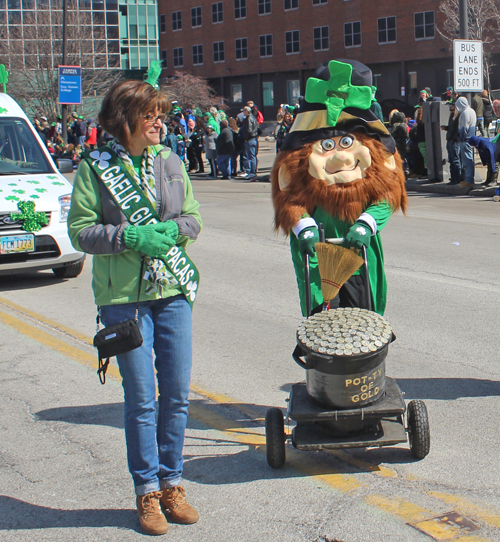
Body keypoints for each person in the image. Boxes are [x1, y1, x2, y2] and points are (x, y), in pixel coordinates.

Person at [67, 79, 202, 536]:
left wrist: (173, 232)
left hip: (172, 291)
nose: (160, 122)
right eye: (150, 115)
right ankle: (146, 491)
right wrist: (128, 235)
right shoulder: (95, 167)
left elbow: (193, 217)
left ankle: (173, 484)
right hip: (123, 300)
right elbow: (80, 231)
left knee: (178, 394)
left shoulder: (169, 161)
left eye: (161, 113)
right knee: (142, 398)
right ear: (125, 119)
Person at [272, 59, 406, 317]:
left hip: (360, 259)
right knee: (323, 330)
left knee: (364, 322)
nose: (341, 157)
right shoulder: (297, 162)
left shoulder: (377, 160)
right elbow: (290, 198)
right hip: (318, 260)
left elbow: (387, 194)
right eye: (328, 145)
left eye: (347, 142)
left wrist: (367, 223)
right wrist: (304, 226)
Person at [456, 96, 477, 188]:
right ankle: (469, 178)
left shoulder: (464, 113)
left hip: (465, 140)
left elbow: (464, 128)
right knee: (470, 159)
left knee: (467, 161)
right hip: (471, 138)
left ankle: (469, 180)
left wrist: (460, 137)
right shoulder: (472, 111)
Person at [441, 100, 461, 185]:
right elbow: (451, 128)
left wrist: (454, 139)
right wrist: (445, 128)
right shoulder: (452, 115)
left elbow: (457, 130)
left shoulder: (458, 116)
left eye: (451, 106)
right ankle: (453, 178)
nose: (450, 107)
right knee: (451, 160)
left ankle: (458, 178)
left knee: (455, 160)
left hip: (454, 141)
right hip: (449, 140)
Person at [238, 105, 259, 180]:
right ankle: (251, 172)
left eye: (244, 111)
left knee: (251, 156)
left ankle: (252, 172)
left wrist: (245, 138)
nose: (243, 112)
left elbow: (249, 130)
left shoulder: (249, 119)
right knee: (251, 156)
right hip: (253, 139)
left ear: (247, 111)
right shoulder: (252, 117)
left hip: (250, 139)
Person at [388, 110, 408, 175]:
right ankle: (404, 171)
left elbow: (393, 135)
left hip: (397, 144)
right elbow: (407, 135)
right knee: (403, 158)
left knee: (397, 159)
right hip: (403, 144)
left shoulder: (395, 125)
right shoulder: (404, 125)